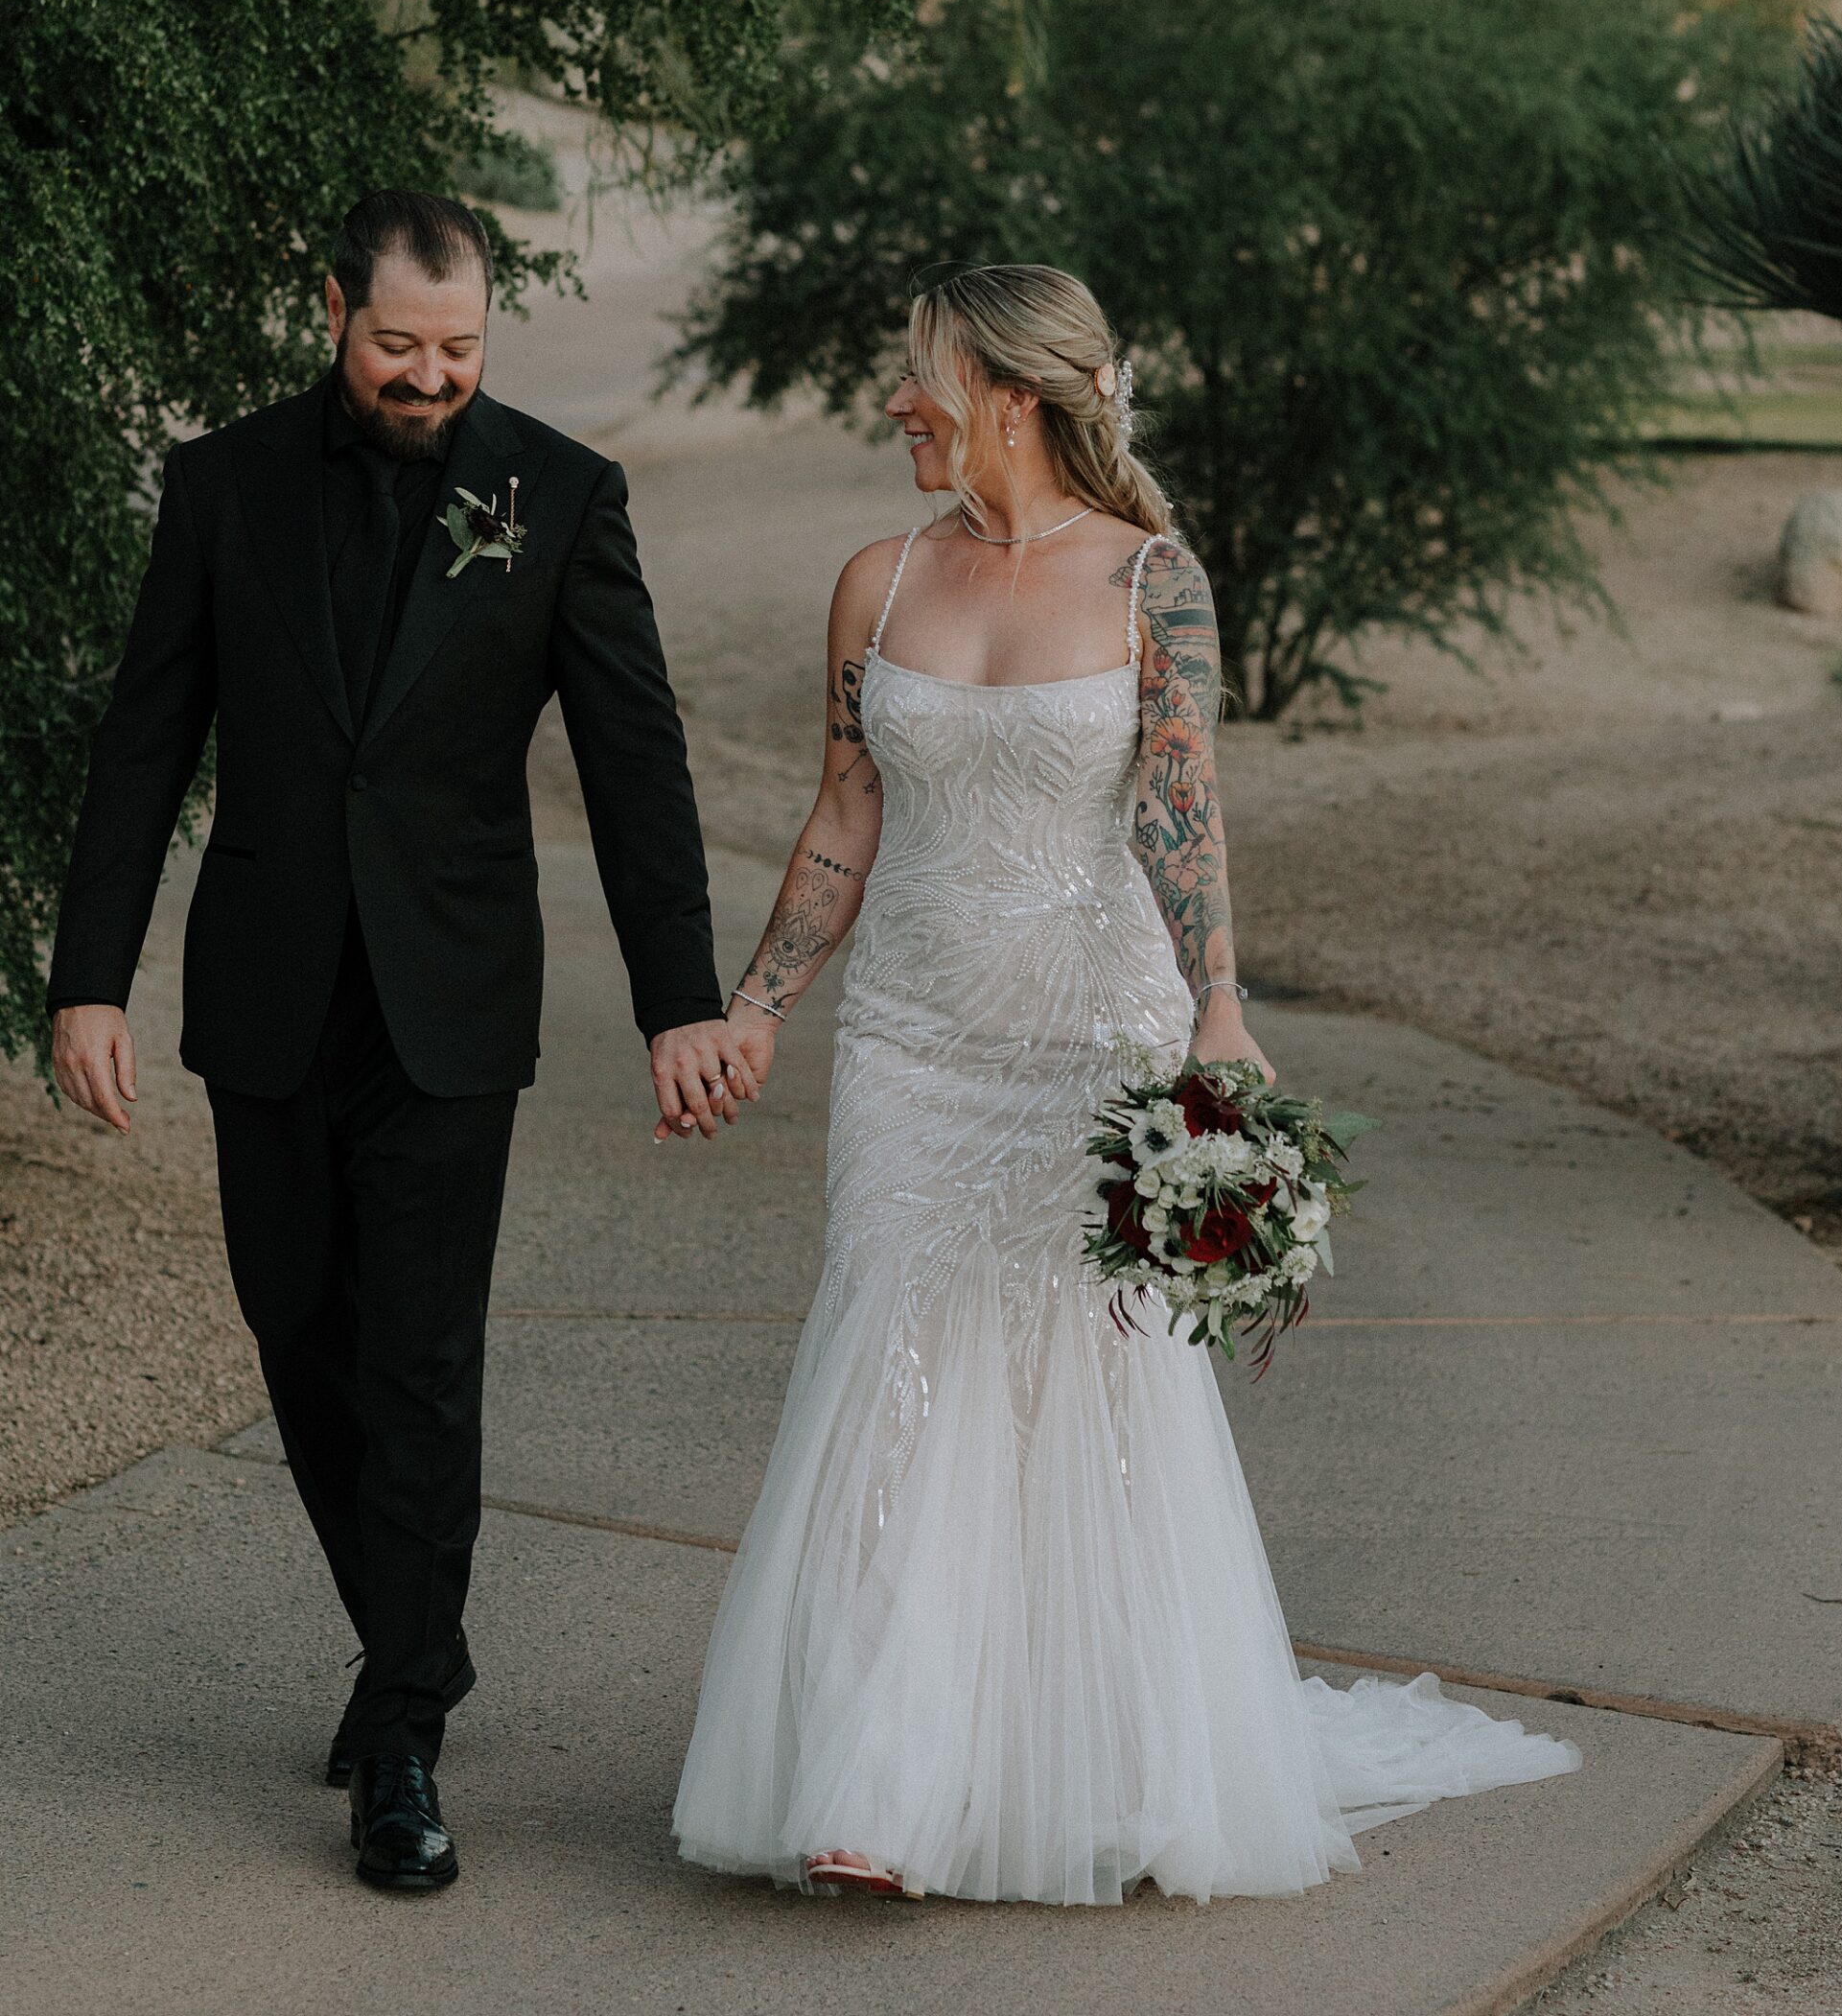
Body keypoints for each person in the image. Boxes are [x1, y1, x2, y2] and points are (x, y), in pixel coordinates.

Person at [672, 263, 1579, 1904]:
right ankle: (878, 1780)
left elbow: (1181, 806)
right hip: (911, 1046)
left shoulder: (1151, 581)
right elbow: (840, 817)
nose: (897, 401)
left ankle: (1108, 1758)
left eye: (920, 379)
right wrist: (757, 1009)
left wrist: (1218, 1010)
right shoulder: (877, 584)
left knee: (1084, 1398)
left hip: (1092, 1039)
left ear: (1008, 400)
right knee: (895, 1357)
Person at [48, 191, 755, 1892]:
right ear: (335, 316)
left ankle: (407, 1726)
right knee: (297, 1327)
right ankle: (409, 1647)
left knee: (421, 1354)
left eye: (459, 350)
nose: (430, 377)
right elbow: (150, 741)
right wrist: (87, 979)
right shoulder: (221, 485)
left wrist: (680, 1001)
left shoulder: (562, 494)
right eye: (398, 347)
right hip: (271, 985)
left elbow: (635, 765)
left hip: (452, 995)